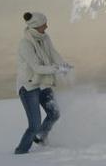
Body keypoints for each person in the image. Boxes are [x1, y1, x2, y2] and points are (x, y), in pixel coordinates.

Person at [14, 12, 72, 154]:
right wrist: (57, 69)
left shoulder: (45, 38)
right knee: (34, 125)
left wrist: (63, 65)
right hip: (29, 86)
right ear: (35, 26)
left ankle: (41, 137)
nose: (46, 26)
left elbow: (53, 53)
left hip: (43, 83)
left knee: (54, 113)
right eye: (43, 24)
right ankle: (20, 152)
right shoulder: (25, 44)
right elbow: (36, 68)